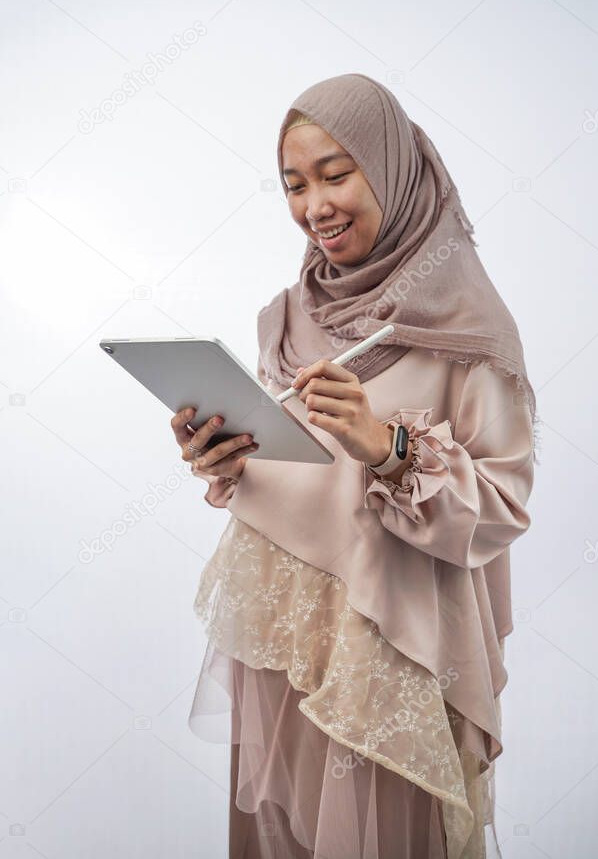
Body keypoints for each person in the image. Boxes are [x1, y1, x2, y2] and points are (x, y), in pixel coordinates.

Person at [171, 73, 539, 858]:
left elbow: (502, 506)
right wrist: (225, 460)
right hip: (286, 635)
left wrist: (389, 446)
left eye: (337, 174)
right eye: (294, 185)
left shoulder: (470, 327)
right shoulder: (291, 311)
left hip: (389, 648)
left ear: (393, 169)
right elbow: (299, 471)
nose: (315, 206)